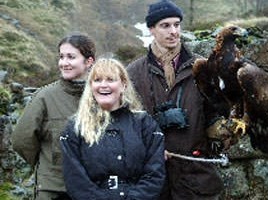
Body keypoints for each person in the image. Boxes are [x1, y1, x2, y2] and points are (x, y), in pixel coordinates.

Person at [127, 0, 225, 199]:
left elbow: (216, 112)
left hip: (195, 177)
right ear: (151, 29)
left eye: (177, 24)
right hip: (151, 178)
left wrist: (221, 133)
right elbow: (124, 122)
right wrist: (146, 150)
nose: (173, 31)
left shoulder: (203, 67)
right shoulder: (133, 73)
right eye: (165, 26)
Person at [60, 58, 165, 200]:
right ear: (90, 86)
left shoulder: (145, 124)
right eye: (97, 80)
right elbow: (75, 178)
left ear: (123, 85)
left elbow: (155, 173)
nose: (103, 85)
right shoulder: (75, 127)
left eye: (110, 80)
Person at [11, 33, 96, 200]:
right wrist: (47, 165)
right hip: (54, 191)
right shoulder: (44, 96)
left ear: (89, 61)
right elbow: (21, 140)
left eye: (71, 57)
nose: (64, 63)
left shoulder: (102, 96)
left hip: (95, 190)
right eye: (61, 57)